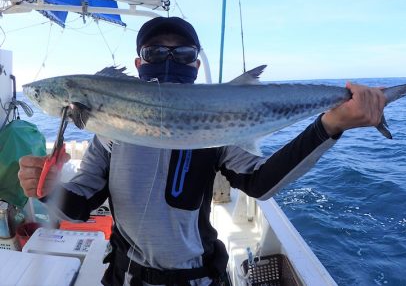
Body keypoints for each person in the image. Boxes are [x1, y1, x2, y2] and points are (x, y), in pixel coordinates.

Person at [18, 17, 386, 286]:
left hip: (200, 279)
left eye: (183, 53)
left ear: (196, 64)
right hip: (126, 277)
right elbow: (79, 206)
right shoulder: (108, 133)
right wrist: (49, 185)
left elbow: (260, 182)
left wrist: (329, 126)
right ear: (138, 63)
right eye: (155, 51)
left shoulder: (216, 127)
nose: (169, 58)